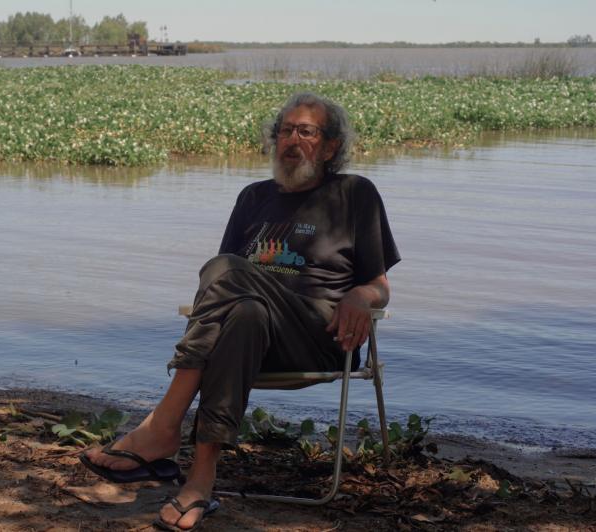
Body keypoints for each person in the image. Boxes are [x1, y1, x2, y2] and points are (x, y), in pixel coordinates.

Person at [82, 92, 400, 531]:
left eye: (305, 131)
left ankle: (163, 425)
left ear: (329, 147)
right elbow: (222, 290)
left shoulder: (354, 193)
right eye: (284, 130)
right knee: (244, 313)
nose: (291, 139)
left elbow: (381, 286)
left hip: (316, 335)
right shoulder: (254, 197)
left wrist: (362, 297)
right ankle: (199, 482)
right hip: (254, 339)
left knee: (228, 270)